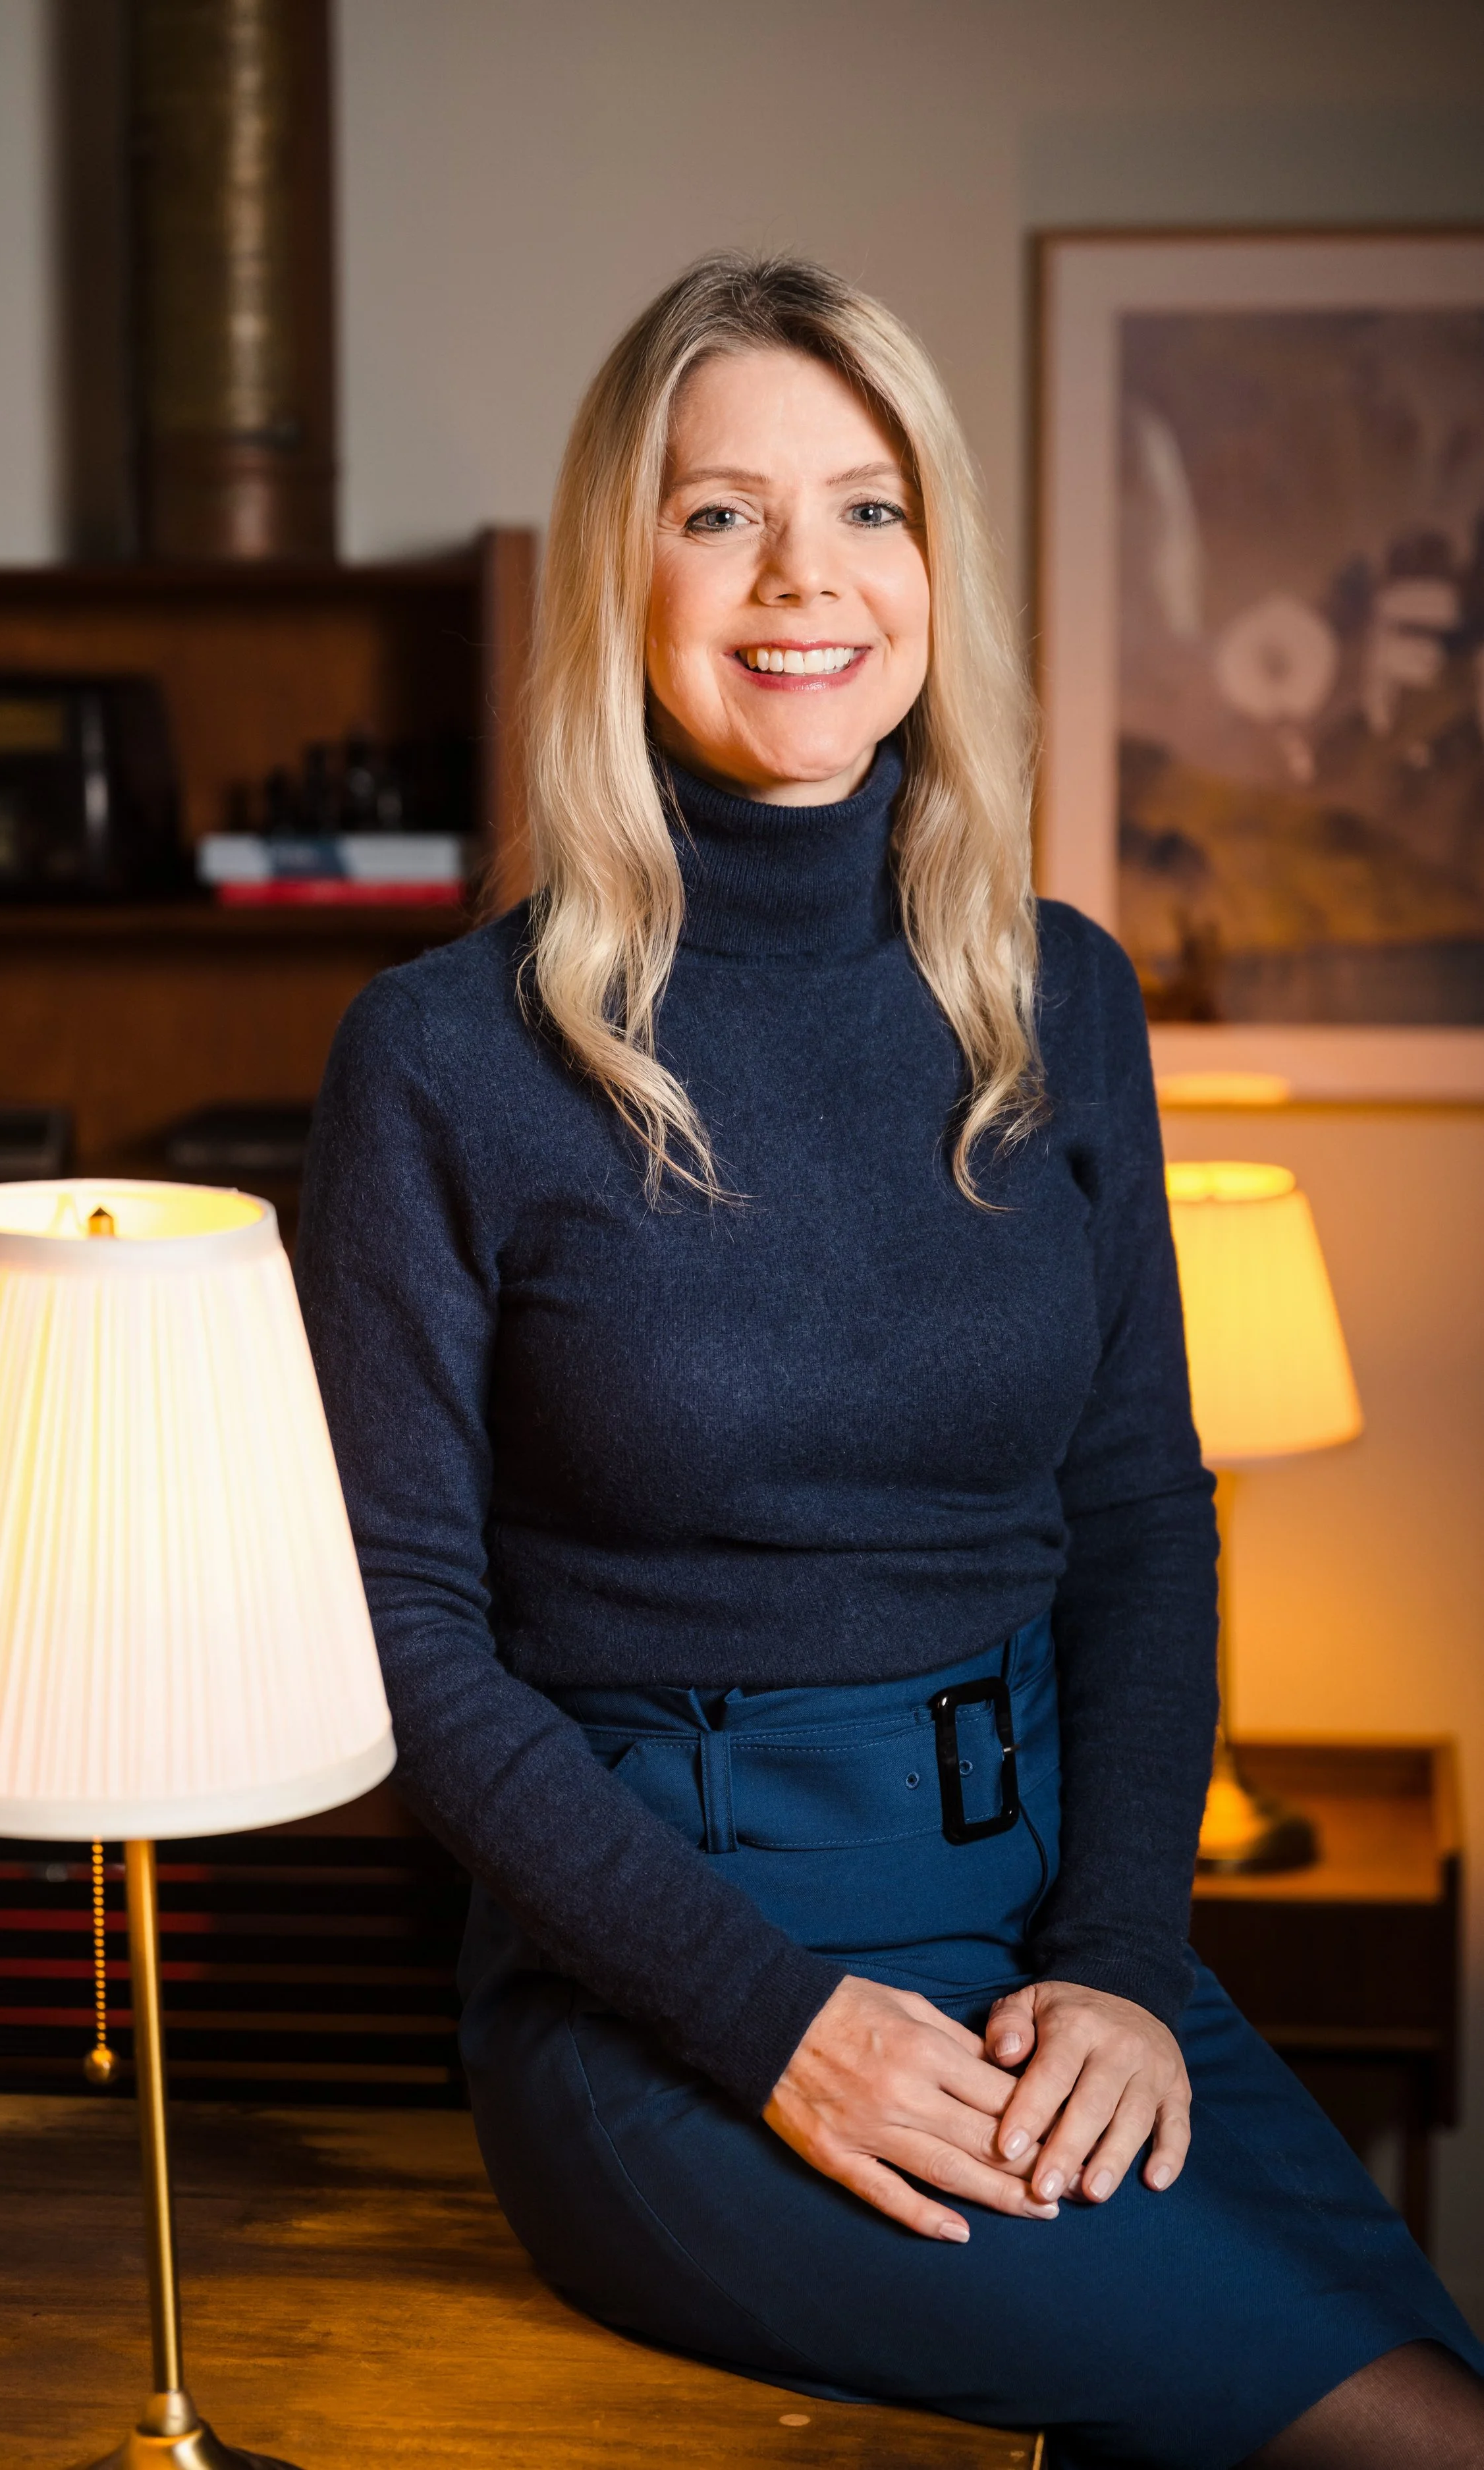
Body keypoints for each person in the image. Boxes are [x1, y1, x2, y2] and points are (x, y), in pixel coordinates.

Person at [296, 256, 1484, 2468]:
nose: (798, 580)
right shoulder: (444, 1057)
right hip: (676, 1987)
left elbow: (1137, 1510)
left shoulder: (1058, 996)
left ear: (937, 560)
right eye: (716, 513)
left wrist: (1125, 1949)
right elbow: (406, 1648)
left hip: (1056, 1938)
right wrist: (773, 2019)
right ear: (618, 576)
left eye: (865, 507)